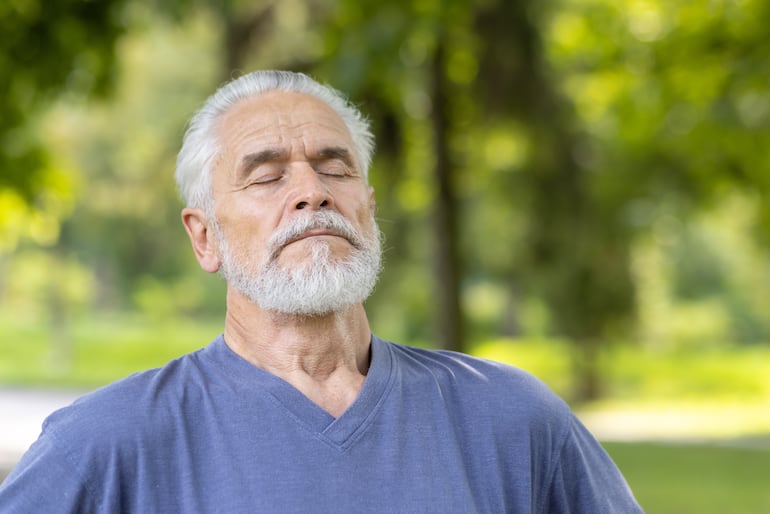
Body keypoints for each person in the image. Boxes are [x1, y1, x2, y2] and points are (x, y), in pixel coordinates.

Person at [0, 70, 643, 513]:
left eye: (335, 167)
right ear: (205, 238)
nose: (312, 191)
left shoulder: (512, 421)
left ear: (368, 204)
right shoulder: (108, 443)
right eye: (266, 177)